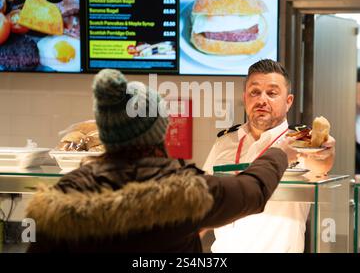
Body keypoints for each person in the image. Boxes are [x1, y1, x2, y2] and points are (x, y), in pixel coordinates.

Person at [25, 68, 294, 253]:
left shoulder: (65, 194)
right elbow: (254, 189)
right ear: (160, 130)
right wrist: (280, 152)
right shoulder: (185, 191)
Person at [203, 59, 335, 253]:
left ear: (288, 101)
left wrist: (325, 151)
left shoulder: (302, 140)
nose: (262, 100)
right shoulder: (224, 141)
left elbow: (321, 165)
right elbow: (205, 200)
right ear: (245, 97)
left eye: (272, 93)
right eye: (254, 92)